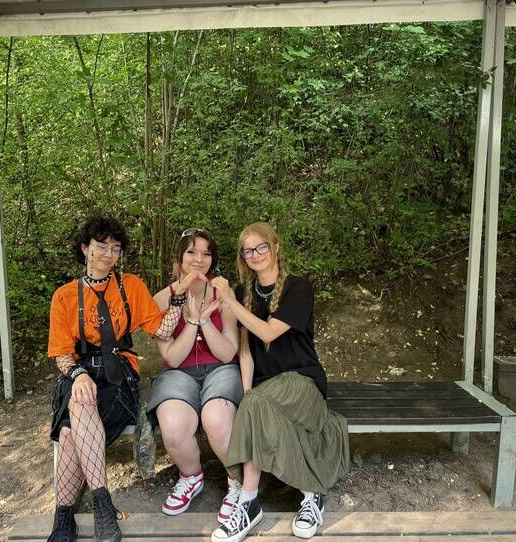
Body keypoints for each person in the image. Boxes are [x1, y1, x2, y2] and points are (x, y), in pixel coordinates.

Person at [46, 216, 188, 542]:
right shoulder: (64, 296)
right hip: (78, 374)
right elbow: (61, 354)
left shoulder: (130, 286)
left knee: (70, 428)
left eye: (115, 248)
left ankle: (64, 520)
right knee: (77, 407)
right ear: (85, 248)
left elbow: (161, 329)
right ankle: (102, 507)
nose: (109, 254)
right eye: (101, 246)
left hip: (118, 377)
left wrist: (179, 301)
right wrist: (79, 374)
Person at [209, 222, 349, 542]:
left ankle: (263, 500)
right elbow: (245, 350)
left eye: (261, 247)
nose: (255, 254)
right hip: (266, 386)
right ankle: (277, 499)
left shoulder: (299, 288)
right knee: (253, 402)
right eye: (248, 251)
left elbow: (269, 332)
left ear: (275, 248)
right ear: (243, 257)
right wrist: (247, 390)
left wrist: (231, 302)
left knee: (256, 404)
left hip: (302, 380)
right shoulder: (244, 294)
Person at [147, 228, 243, 521]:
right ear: (180, 256)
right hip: (179, 373)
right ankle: (191, 476)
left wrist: (206, 321)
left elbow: (228, 352)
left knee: (217, 418)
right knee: (173, 424)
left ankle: (237, 481)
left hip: (221, 369)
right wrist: (191, 321)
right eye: (191, 252)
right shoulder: (162, 299)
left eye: (206, 253)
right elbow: (173, 358)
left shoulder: (222, 293)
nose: (199, 259)